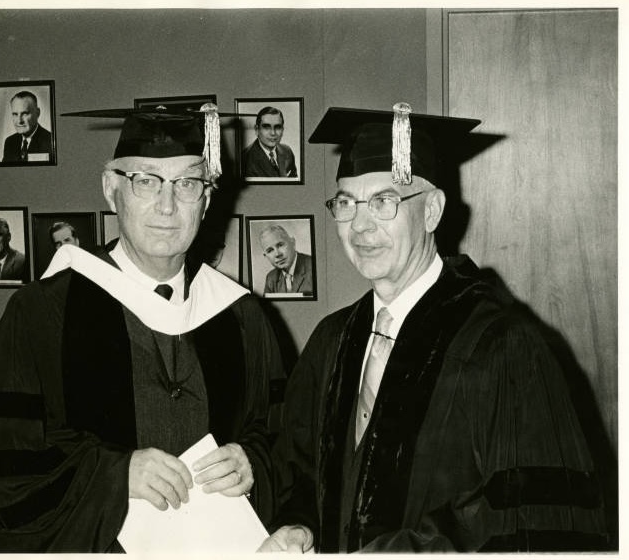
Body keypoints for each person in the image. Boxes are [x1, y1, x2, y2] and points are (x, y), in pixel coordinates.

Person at [261, 104, 609, 552]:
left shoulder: (503, 347)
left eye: (384, 201)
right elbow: (302, 474)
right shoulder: (332, 340)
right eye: (346, 203)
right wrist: (299, 526)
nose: (360, 225)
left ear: (431, 212)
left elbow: (535, 517)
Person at [0, 104, 284, 552]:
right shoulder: (41, 312)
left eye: (187, 183)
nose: (167, 206)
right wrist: (113, 474)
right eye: (145, 181)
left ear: (205, 199)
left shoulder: (242, 317)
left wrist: (254, 466)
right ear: (112, 190)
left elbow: (285, 445)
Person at [242, 106, 297, 178]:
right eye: (266, 127)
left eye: (277, 127)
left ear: (282, 130)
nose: (273, 133)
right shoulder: (245, 158)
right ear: (257, 130)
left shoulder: (287, 151)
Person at [259, 224, 313, 296]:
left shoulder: (314, 267)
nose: (277, 254)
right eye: (270, 250)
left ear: (293, 243)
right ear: (265, 256)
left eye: (280, 245)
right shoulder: (271, 278)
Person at [1, 91, 53, 163]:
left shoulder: (50, 140)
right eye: (15, 114)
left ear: (37, 113)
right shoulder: (10, 142)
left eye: (25, 114)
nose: (19, 121)